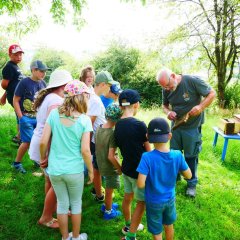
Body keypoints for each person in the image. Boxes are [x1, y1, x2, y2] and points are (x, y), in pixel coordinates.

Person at [40, 80, 93, 240]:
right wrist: (90, 170)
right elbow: (85, 150)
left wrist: (44, 158)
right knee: (75, 204)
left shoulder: (54, 114)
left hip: (55, 170)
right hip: (74, 171)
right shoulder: (84, 120)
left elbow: (43, 142)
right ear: (82, 98)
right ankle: (76, 237)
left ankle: (65, 237)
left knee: (62, 204)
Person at [156, 68, 216, 197]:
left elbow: (212, 93)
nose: (166, 89)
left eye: (167, 85)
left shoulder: (192, 81)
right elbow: (164, 106)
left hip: (192, 127)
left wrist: (200, 107)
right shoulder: (166, 88)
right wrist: (168, 112)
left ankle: (191, 183)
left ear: (173, 76)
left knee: (190, 156)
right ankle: (175, 176)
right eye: (164, 87)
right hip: (176, 127)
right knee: (174, 154)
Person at [29, 69, 73, 228]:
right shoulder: (56, 101)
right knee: (57, 184)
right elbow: (51, 130)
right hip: (47, 146)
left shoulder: (50, 97)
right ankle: (46, 217)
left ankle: (53, 209)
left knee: (50, 180)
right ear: (64, 85)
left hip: (41, 143)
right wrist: (46, 155)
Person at [137, 117, 192, 240]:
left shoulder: (147, 157)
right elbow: (189, 175)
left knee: (157, 231)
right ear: (170, 136)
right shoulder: (177, 155)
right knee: (169, 224)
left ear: (148, 136)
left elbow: (140, 184)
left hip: (153, 201)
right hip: (170, 199)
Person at [114, 89, 151, 240]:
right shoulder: (140, 125)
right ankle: (131, 235)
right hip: (139, 172)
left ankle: (129, 224)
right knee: (141, 203)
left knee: (127, 197)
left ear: (122, 106)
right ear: (136, 105)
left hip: (127, 169)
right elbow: (148, 152)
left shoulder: (117, 126)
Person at [12, 60, 48, 173]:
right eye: (41, 71)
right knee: (27, 141)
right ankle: (16, 163)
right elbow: (15, 100)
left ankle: (36, 159)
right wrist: (21, 117)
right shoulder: (24, 82)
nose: (44, 74)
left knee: (38, 140)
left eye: (45, 71)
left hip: (39, 118)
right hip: (26, 118)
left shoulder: (43, 84)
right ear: (33, 70)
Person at [88, 70, 118, 202]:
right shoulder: (95, 100)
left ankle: (97, 190)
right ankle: (100, 195)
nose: (110, 87)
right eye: (108, 85)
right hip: (98, 139)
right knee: (99, 167)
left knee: (97, 166)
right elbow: (90, 122)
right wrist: (87, 142)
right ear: (101, 84)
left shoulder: (93, 97)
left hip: (97, 137)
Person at [95, 103, 122, 220]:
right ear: (119, 118)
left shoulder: (99, 127)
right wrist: (119, 168)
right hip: (110, 166)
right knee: (110, 190)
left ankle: (107, 204)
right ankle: (108, 211)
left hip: (100, 163)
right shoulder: (112, 133)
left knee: (108, 187)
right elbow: (111, 156)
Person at [0, 44, 25, 144]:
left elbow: (13, 83)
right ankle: (20, 137)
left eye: (20, 55)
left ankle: (19, 137)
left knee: (20, 115)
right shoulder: (9, 67)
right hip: (15, 97)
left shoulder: (15, 66)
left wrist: (4, 96)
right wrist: (9, 94)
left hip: (17, 96)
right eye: (16, 55)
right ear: (10, 55)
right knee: (22, 114)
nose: (19, 57)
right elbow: (4, 84)